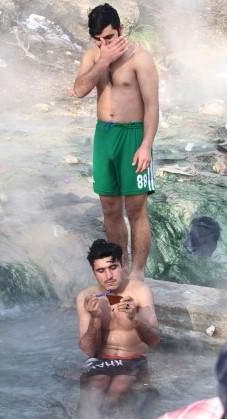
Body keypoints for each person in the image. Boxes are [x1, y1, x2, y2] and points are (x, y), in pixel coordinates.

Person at [71, 3, 160, 280]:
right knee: (110, 208)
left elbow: (152, 106)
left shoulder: (140, 59)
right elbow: (78, 90)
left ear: (120, 29)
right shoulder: (94, 57)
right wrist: (104, 60)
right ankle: (119, 269)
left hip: (132, 135)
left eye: (109, 37)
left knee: (136, 208)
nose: (105, 43)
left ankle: (138, 273)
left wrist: (146, 145)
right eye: (99, 40)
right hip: (104, 135)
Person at [76, 239, 160, 419]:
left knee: (120, 386)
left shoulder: (140, 291)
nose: (109, 276)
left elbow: (154, 340)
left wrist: (135, 319)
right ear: (94, 272)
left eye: (113, 267)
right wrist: (96, 319)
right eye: (101, 271)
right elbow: (89, 350)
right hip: (100, 360)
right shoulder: (86, 297)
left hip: (132, 359)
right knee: (95, 387)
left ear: (122, 265)